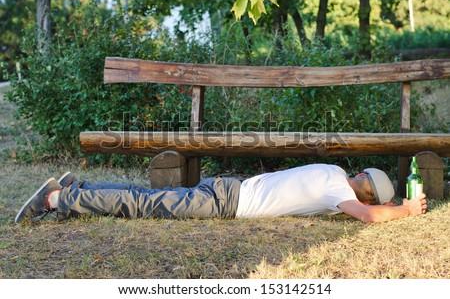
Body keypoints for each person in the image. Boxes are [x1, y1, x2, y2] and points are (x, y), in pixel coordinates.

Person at [15, 164, 427, 224]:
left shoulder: (333, 174)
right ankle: (59, 200)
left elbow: (369, 208)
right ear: (367, 193)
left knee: (145, 196)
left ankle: (75, 190)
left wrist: (390, 204)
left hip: (231, 188)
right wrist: (405, 211)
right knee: (143, 204)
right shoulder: (339, 191)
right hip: (226, 202)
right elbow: (369, 217)